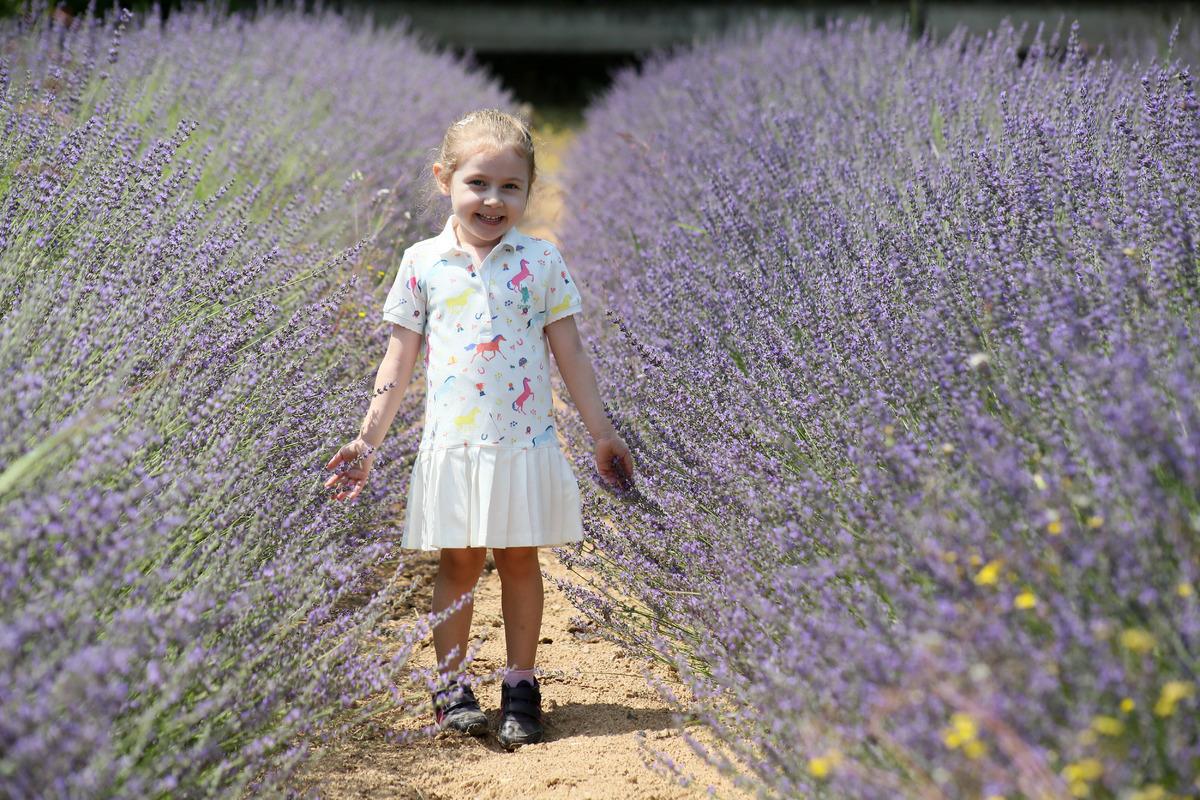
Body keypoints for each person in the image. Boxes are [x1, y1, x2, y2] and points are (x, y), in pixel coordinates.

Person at [324, 108, 634, 750]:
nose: (493, 200)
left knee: (521, 559)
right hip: (455, 446)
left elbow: (570, 352)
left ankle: (521, 684)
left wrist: (601, 430)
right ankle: (451, 685)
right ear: (445, 179)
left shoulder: (541, 261)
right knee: (459, 560)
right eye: (478, 183)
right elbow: (400, 356)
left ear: (529, 190)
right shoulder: (422, 263)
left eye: (510, 187)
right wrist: (367, 439)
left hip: (523, 443)